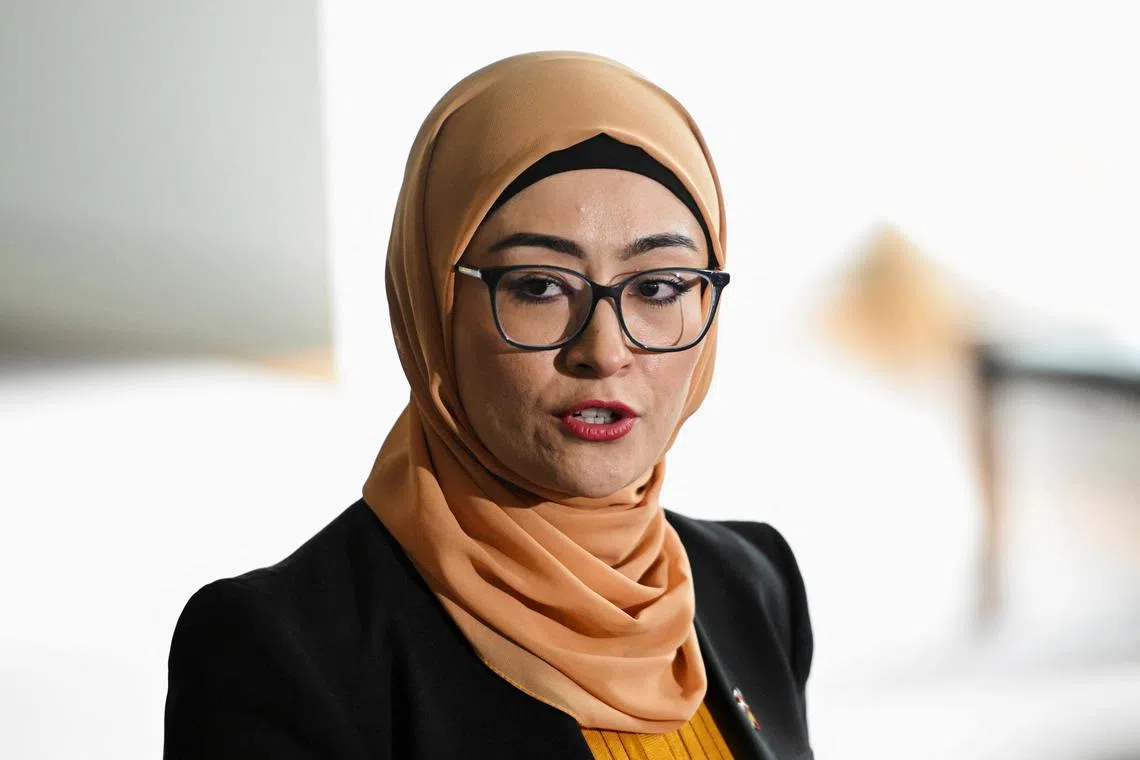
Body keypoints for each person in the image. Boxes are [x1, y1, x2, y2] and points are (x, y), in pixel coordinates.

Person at [163, 51, 813, 760]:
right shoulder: (285, 653)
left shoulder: (752, 584)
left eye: (657, 288)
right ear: (434, 307)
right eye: (538, 285)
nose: (603, 349)